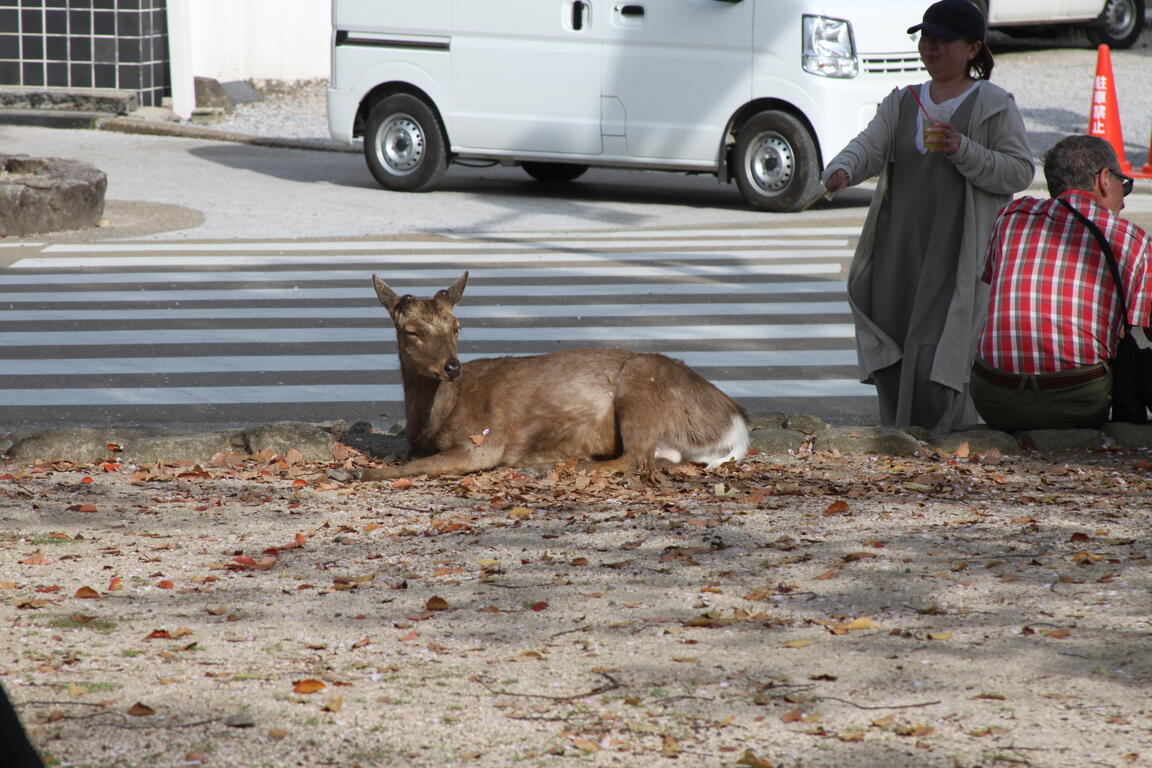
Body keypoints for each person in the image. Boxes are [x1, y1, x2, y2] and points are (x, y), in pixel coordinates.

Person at [821, 0, 1034, 431]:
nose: (930, 47)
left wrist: (963, 149)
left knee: (943, 349)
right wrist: (843, 169)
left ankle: (947, 440)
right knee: (895, 341)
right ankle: (900, 435)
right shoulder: (903, 102)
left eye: (943, 40)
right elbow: (869, 145)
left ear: (972, 49)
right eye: (925, 38)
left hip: (959, 248)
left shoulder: (992, 104)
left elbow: (1019, 170)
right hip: (901, 247)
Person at [972, 135, 1152, 431]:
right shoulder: (1132, 239)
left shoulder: (1011, 216)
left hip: (994, 399)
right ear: (1105, 179)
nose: (1124, 196)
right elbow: (1144, 326)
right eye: (1124, 183)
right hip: (1078, 401)